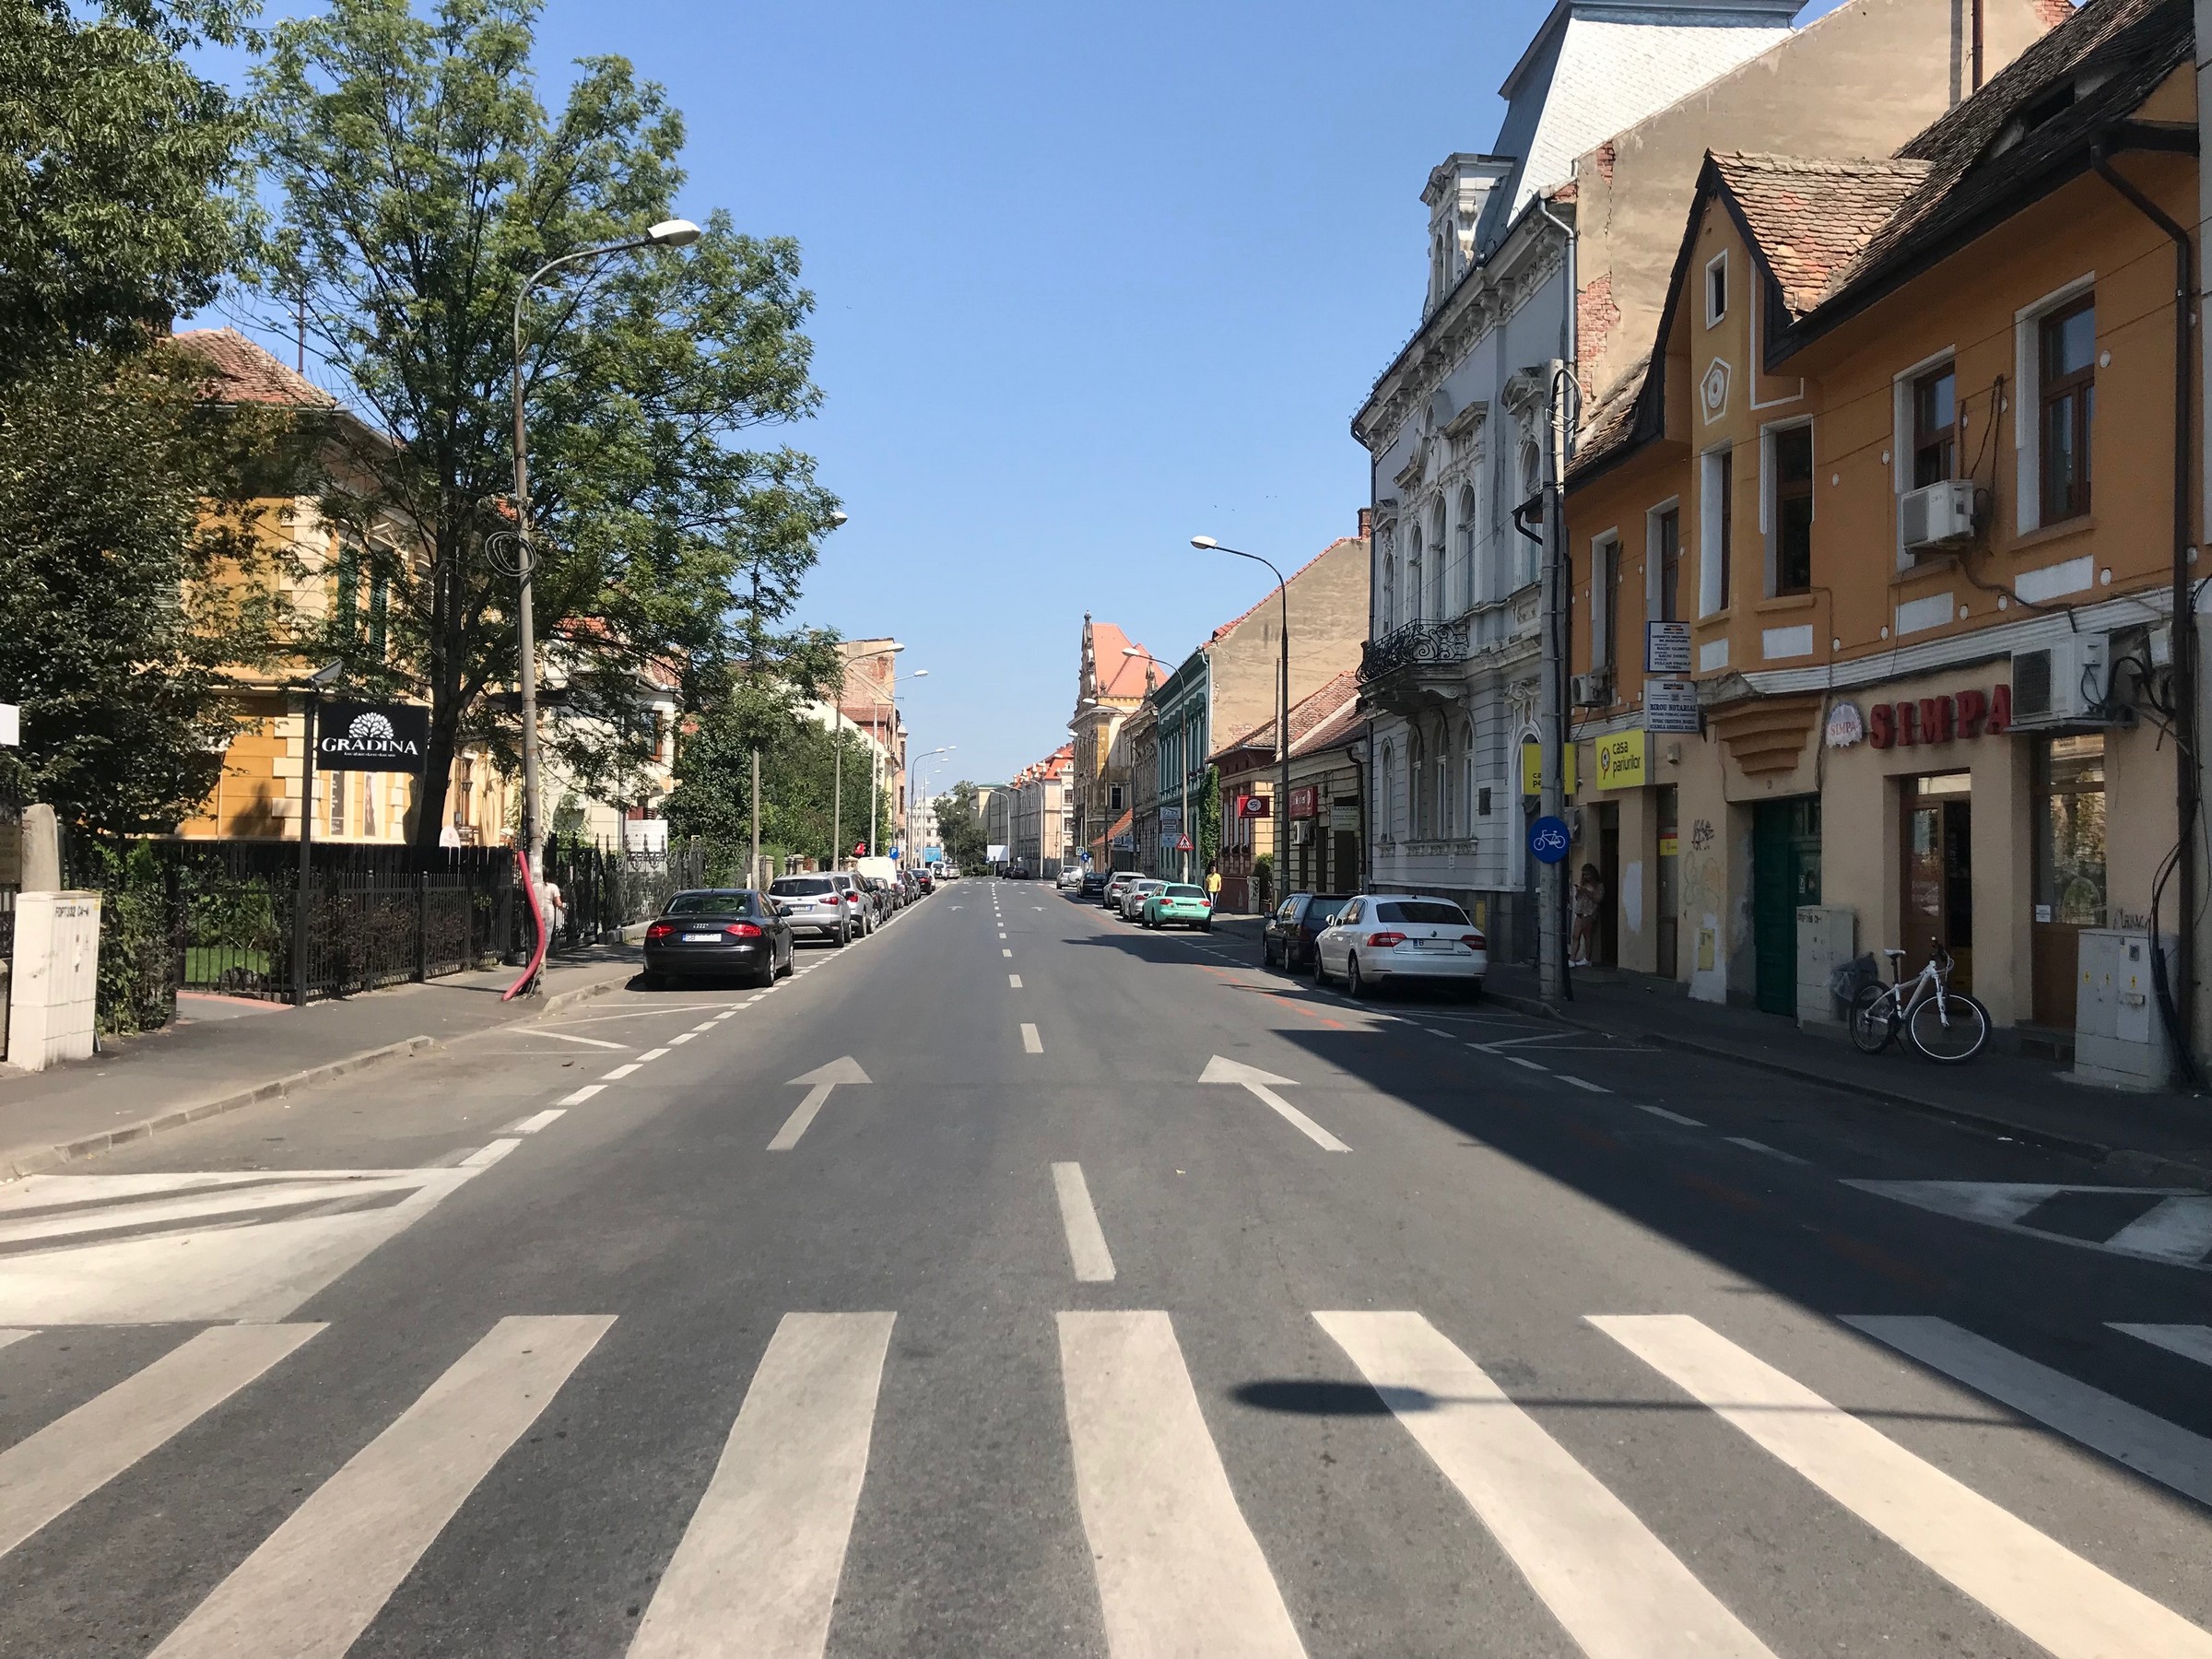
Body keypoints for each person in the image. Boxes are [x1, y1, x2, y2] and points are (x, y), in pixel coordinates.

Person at [1570, 863, 1603, 968]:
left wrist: (1587, 892)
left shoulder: (1599, 885)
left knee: (1587, 936)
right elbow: (1577, 898)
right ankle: (1572, 959)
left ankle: (1588, 959)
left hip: (1589, 912)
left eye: (1588, 874)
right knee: (1575, 936)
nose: (1585, 877)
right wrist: (1579, 892)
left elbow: (1598, 899)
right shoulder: (1583, 883)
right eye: (1584, 874)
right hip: (1579, 911)